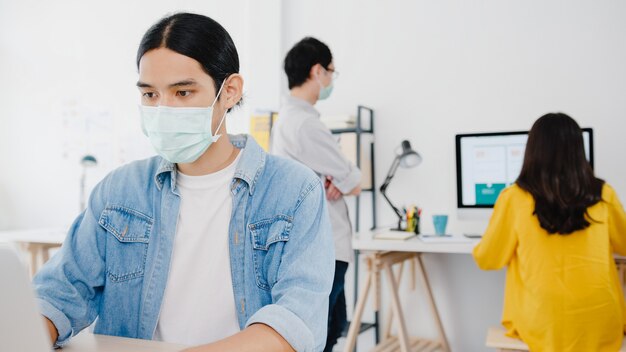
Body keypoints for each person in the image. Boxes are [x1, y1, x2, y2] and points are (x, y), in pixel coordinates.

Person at [33, 13, 334, 352]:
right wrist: (25, 334)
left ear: (230, 91)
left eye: (183, 92)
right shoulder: (119, 191)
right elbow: (58, 294)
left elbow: (295, 324)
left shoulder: (294, 192)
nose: (164, 110)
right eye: (150, 95)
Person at [473, 113, 626, 352]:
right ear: (578, 151)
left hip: (543, 325)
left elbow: (488, 259)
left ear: (532, 151)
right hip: (602, 324)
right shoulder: (604, 194)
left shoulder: (514, 198)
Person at [270, 37, 361, 352]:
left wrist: (338, 175)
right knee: (323, 333)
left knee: (331, 328)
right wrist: (344, 175)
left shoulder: (291, 120)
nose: (331, 79)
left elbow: (342, 177)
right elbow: (354, 181)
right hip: (326, 246)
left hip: (322, 245)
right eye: (331, 72)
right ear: (317, 71)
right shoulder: (305, 125)